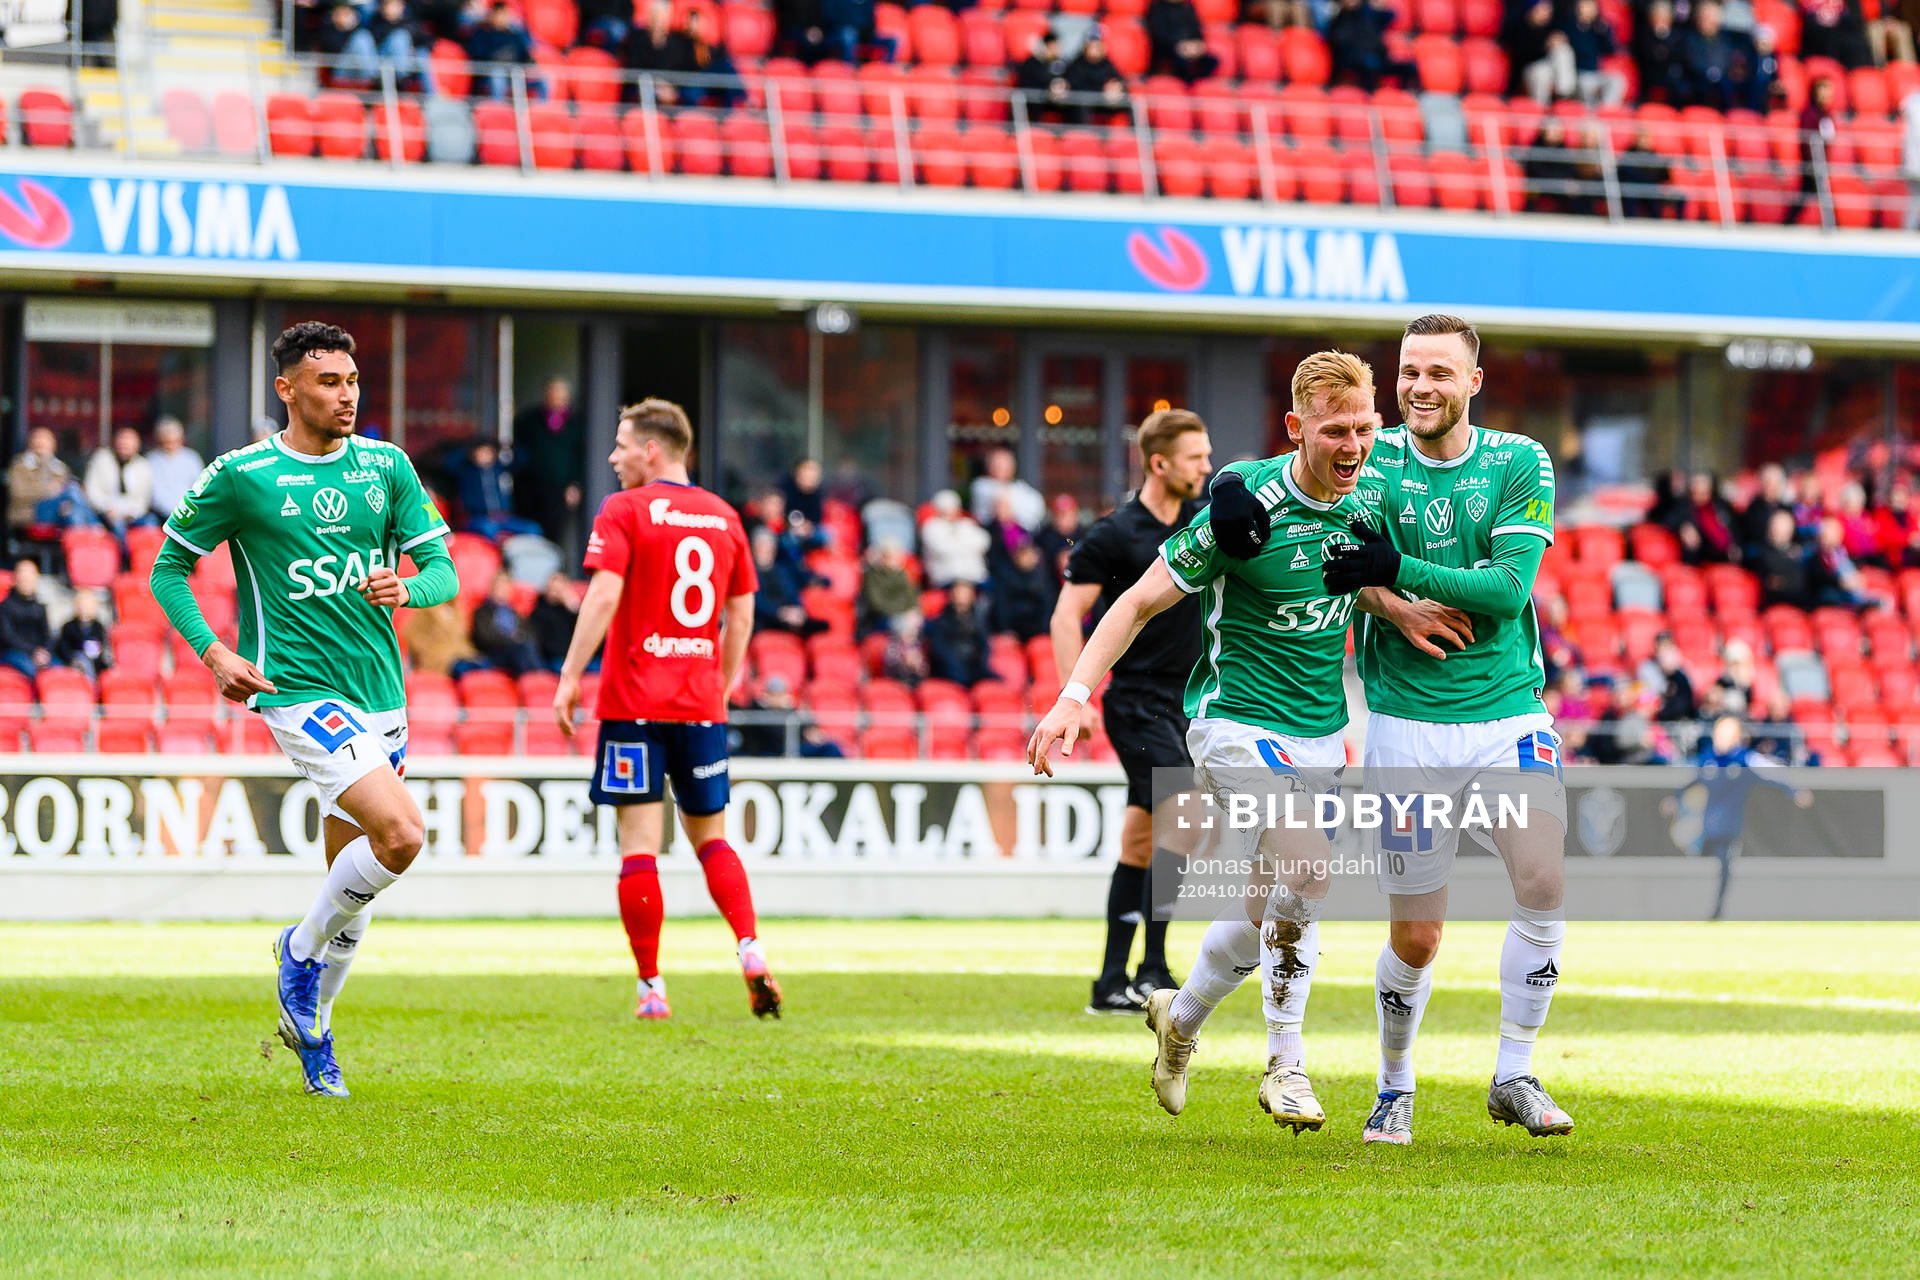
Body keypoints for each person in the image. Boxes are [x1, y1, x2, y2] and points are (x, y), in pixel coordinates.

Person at [1031, 351, 1464, 1134]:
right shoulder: (1244, 509)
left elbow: (1347, 569)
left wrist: (1396, 608)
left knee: (1273, 901)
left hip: (1323, 734)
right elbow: (1132, 605)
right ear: (1297, 428)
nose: (1355, 444)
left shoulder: (1368, 492)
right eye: (1335, 430)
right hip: (1236, 724)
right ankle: (1286, 1066)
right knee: (1308, 868)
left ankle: (1180, 1021)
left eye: (1366, 427)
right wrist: (1071, 696)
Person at [149, 321, 460, 1098]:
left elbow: (442, 570)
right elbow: (168, 572)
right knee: (403, 835)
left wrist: (409, 589)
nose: (346, 394)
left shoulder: (386, 466)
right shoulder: (241, 475)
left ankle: (314, 1033)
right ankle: (297, 948)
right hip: (297, 691)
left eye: (352, 381)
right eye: (328, 382)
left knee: (354, 890)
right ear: (286, 388)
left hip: (382, 696)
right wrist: (216, 653)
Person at [1317, 315, 1575, 1145]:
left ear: (1473, 382)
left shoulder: (1518, 460)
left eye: (1437, 372)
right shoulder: (1371, 458)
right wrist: (1390, 602)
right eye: (1408, 372)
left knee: (1541, 879)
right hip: (1404, 727)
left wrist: (1394, 569)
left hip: (1508, 716)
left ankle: (1515, 1071)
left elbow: (1506, 589)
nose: (1419, 387)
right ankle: (1395, 1083)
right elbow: (1334, 559)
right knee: (1417, 936)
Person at [553, 398, 780, 1022]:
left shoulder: (624, 510)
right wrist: (722, 682)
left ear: (652, 450)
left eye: (622, 445)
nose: (613, 457)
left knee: (639, 850)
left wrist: (571, 675)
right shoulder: (724, 516)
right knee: (712, 841)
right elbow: (742, 614)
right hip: (700, 704)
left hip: (633, 705)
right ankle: (750, 949)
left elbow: (603, 593)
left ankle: (652, 988)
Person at [1050, 408, 1213, 1013]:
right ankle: (1151, 968)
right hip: (1137, 701)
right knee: (1186, 814)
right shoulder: (1115, 534)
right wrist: (1076, 695)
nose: (1206, 466)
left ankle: (1114, 980)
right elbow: (1067, 616)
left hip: (1188, 702)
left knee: (1142, 840)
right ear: (1159, 462)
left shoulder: (1203, 524)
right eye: (1196, 457)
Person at [1664, 716, 1812, 921]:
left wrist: (1793, 791)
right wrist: (1675, 797)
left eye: (1725, 734)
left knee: (1724, 868)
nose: (1720, 738)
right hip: (1705, 827)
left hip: (1729, 828)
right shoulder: (1708, 758)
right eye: (1718, 733)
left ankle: (1718, 911)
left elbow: (1772, 774)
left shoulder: (1744, 760)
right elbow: (1693, 780)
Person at [511, 378, 585, 557]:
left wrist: (574, 484)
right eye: (553, 394)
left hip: (558, 489)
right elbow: (516, 449)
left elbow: (578, 456)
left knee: (554, 533)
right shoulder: (529, 420)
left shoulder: (575, 424)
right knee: (530, 532)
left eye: (561, 395)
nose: (557, 399)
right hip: (530, 487)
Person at [7, 426, 88, 535]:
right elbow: (17, 493)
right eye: (38, 438)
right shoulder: (20, 465)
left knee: (73, 504)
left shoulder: (60, 468)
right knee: (72, 490)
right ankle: (95, 529)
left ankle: (86, 539)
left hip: (58, 513)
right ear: (30, 442)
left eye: (46, 439)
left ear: (53, 444)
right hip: (30, 513)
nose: (41, 442)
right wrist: (48, 491)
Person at [454, 440, 541, 542]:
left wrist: (510, 446)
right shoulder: (466, 472)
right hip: (479, 518)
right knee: (488, 530)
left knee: (532, 528)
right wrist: (466, 448)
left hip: (504, 517)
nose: (484, 456)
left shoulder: (499, 469)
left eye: (488, 452)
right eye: (481, 452)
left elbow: (523, 460)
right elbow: (448, 462)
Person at [1326, 0, 1418, 91]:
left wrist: (1382, 6)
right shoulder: (1340, 18)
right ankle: (1369, 96)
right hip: (1354, 59)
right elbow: (1336, 42)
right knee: (1369, 64)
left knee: (1409, 67)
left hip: (1378, 57)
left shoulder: (1369, 13)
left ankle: (1403, 94)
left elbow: (1389, 16)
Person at [85, 425, 156, 542]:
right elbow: (92, 491)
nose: (124, 444)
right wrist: (107, 509)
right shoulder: (101, 459)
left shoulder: (143, 466)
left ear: (137, 445)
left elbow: (144, 500)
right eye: (122, 440)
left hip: (132, 514)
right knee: (117, 526)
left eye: (129, 441)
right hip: (105, 512)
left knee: (151, 524)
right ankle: (124, 558)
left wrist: (129, 513)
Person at [1786, 77, 1839, 226]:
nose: (1827, 95)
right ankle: (1832, 224)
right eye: (1823, 90)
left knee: (1808, 195)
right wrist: (1813, 160)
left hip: (1820, 162)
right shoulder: (1810, 114)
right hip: (1812, 162)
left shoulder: (1826, 114)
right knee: (1813, 194)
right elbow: (1807, 139)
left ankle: (1789, 222)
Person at [471, 571, 545, 676]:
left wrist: (518, 639)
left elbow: (531, 635)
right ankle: (537, 678)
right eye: (500, 586)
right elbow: (485, 638)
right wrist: (512, 639)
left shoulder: (515, 613)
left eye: (506, 586)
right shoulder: (482, 612)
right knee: (522, 648)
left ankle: (538, 679)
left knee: (527, 646)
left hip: (518, 652)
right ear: (492, 588)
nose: (503, 590)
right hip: (496, 653)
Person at [465, 1, 537, 100]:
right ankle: (498, 110)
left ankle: (541, 111)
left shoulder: (514, 35)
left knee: (543, 79)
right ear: (492, 15)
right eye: (498, 14)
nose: (501, 18)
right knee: (498, 75)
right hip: (489, 73)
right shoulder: (481, 34)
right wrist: (497, 58)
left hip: (513, 72)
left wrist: (531, 65)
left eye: (504, 14)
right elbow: (477, 55)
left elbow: (525, 55)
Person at [926, 579, 992, 684]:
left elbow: (984, 646)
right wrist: (954, 665)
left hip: (973, 666)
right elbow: (940, 648)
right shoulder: (941, 621)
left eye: (965, 592)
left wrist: (980, 663)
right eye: (958, 592)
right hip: (951, 667)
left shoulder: (978, 621)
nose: (961, 596)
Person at [1506, 0, 1573, 102]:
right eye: (1543, 8)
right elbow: (1522, 56)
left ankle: (1563, 95)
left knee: (1563, 50)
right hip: (1527, 72)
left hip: (1551, 71)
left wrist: (1558, 41)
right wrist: (1546, 45)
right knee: (1541, 72)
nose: (1546, 12)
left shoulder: (1552, 27)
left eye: (1548, 8)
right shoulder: (1520, 26)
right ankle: (1541, 109)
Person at [989, 541, 1057, 641]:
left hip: (1038, 631)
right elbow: (1002, 606)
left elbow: (1047, 606)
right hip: (1012, 630)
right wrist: (1006, 629)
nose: (1029, 559)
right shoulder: (1006, 578)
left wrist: (1044, 631)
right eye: (1024, 555)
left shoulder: (1043, 578)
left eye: (1031, 555)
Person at [921, 489, 990, 586]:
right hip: (946, 579)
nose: (950, 512)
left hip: (975, 577)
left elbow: (984, 542)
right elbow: (943, 550)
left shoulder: (967, 523)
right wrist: (968, 547)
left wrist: (956, 542)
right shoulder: (931, 527)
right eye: (945, 509)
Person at [0, 560, 56, 680]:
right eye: (24, 578)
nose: (27, 582)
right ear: (15, 580)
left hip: (39, 653)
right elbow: (8, 637)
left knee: (58, 669)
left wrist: (44, 652)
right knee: (32, 670)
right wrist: (33, 651)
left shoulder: (40, 607)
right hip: (13, 653)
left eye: (30, 578)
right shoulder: (5, 607)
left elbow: (47, 635)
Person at [968, 444, 1045, 529]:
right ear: (988, 467)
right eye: (996, 464)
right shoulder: (981, 485)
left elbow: (1037, 508)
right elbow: (999, 499)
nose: (999, 468)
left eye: (1004, 464)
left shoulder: (1021, 487)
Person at [1564, 0, 1626, 104]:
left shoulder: (1598, 27)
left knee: (1617, 80)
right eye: (1585, 5)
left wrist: (1604, 32)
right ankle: (1589, 113)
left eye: (1591, 6)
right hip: (1577, 73)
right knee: (1586, 84)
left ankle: (1605, 111)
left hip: (1595, 73)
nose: (1589, 9)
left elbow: (1611, 50)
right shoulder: (1570, 26)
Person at [145, 417, 205, 523]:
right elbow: (153, 493)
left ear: (181, 440)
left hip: (189, 512)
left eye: (174, 441)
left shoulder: (192, 458)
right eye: (167, 442)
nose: (171, 445)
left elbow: (200, 488)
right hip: (159, 515)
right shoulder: (151, 460)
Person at [1146, 0, 1220, 84]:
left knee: (1212, 61)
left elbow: (1197, 30)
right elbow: (1159, 34)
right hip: (1169, 49)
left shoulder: (1187, 8)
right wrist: (1179, 45)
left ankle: (1196, 85)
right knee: (1182, 63)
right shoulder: (1158, 8)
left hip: (1189, 47)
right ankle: (1186, 85)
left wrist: (1197, 45)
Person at [1067, 30, 1130, 123]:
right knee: (1083, 104)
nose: (1094, 49)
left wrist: (1117, 87)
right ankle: (1084, 135)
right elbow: (1070, 85)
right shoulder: (1077, 63)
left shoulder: (1106, 64)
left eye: (1097, 46)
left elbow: (1118, 81)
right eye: (1091, 46)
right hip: (1080, 104)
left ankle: (1131, 135)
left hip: (1102, 101)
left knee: (1128, 102)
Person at [1014, 29, 1075, 124]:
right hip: (1036, 101)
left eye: (1057, 46)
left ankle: (1071, 134)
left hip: (1057, 101)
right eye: (1052, 47)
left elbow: (1070, 79)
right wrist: (1048, 87)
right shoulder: (1031, 64)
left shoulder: (1063, 63)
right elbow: (1026, 85)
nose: (1055, 50)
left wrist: (1063, 85)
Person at [859, 539, 919, 634]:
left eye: (894, 556)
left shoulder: (902, 575)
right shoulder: (872, 575)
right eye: (888, 556)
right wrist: (900, 611)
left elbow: (911, 600)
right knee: (901, 625)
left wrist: (910, 613)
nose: (892, 560)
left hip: (901, 616)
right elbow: (876, 603)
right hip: (880, 618)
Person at [1617, 129, 1678, 220]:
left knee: (1676, 196)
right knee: (1631, 193)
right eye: (1641, 138)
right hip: (1633, 189)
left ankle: (1658, 222)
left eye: (1646, 138)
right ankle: (1630, 221)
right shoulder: (1628, 154)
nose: (1644, 141)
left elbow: (1664, 176)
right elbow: (1622, 173)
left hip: (1651, 189)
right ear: (1636, 139)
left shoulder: (1655, 155)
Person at [1634, 0, 1687, 103]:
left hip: (1674, 80)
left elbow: (1681, 57)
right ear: (1650, 17)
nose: (1661, 18)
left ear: (1670, 17)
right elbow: (1647, 58)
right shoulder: (1643, 37)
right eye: (1657, 15)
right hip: (1651, 79)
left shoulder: (1678, 37)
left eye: (1664, 15)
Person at [529, 572, 581, 672]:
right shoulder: (539, 612)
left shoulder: (570, 611)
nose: (556, 593)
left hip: (575, 658)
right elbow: (543, 643)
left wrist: (574, 608)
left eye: (560, 590)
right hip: (554, 658)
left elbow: (584, 634)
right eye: (553, 589)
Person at [54, 589, 110, 680]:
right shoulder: (68, 626)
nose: (84, 610)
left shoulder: (98, 627)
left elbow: (100, 649)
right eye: (81, 606)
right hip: (74, 661)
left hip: (94, 662)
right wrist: (73, 659)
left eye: (87, 607)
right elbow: (64, 648)